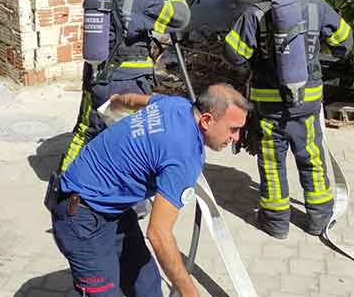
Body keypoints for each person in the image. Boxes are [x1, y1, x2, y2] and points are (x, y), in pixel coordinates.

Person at [50, 84, 249, 297]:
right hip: (80, 213)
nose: (236, 138)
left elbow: (131, 100)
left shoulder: (176, 105)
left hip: (111, 206)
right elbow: (158, 234)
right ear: (207, 120)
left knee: (146, 285)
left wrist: (114, 102)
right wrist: (190, 293)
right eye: (233, 129)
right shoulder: (184, 156)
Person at [224, 0, 353, 239]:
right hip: (307, 104)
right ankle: (320, 220)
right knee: (313, 159)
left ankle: (276, 223)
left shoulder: (254, 14)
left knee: (271, 161)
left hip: (269, 107)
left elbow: (233, 54)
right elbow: (345, 43)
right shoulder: (318, 7)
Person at [60, 0, 192, 171]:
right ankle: (123, 198)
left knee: (85, 131)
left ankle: (65, 180)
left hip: (96, 78)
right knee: (128, 141)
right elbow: (180, 17)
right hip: (128, 86)